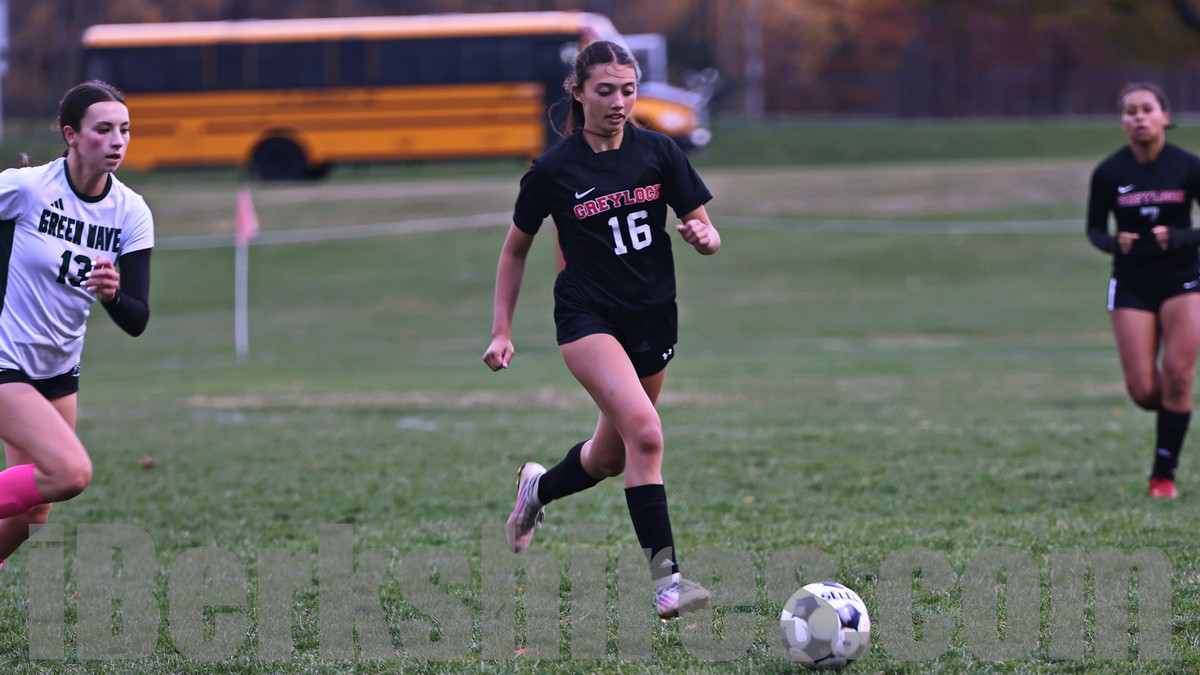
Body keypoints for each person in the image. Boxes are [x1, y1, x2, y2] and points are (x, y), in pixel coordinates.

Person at [483, 40, 721, 618]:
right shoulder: (553, 170)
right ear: (579, 92)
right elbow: (515, 251)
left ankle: (537, 489)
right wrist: (501, 330)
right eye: (606, 91)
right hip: (587, 320)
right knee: (647, 435)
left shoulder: (660, 151)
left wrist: (704, 237)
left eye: (628, 90)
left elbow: (707, 231)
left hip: (653, 320)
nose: (619, 102)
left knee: (610, 459)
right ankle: (668, 582)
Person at [0, 80, 154, 566]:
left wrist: (112, 295)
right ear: (71, 134)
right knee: (70, 473)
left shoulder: (131, 211)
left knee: (32, 515)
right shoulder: (28, 188)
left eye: (124, 130)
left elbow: (137, 318)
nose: (117, 141)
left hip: (58, 372)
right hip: (5, 359)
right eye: (103, 129)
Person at [1087, 81, 1200, 499]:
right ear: (1123, 121)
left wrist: (1180, 236)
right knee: (1144, 392)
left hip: (1183, 279)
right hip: (1132, 282)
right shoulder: (1109, 172)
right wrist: (1114, 243)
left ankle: (1162, 477)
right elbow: (1094, 229)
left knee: (1178, 377)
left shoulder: (1188, 166)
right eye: (1130, 111)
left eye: (1147, 109)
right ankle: (1171, 411)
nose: (1139, 117)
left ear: (1164, 117)